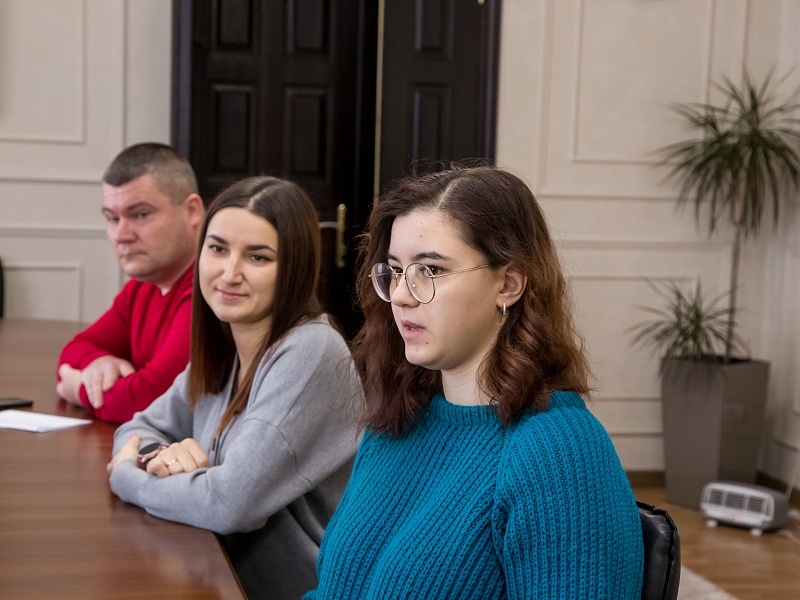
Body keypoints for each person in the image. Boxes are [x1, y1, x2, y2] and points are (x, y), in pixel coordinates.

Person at [305, 166, 644, 599]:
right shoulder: (396, 421)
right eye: (396, 271)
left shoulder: (559, 451)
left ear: (509, 284)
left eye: (430, 270)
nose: (403, 295)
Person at [107, 176, 363, 600]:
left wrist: (128, 477)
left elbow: (229, 505)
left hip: (301, 590)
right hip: (219, 573)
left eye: (258, 257)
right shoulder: (226, 347)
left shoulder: (312, 350)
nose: (229, 273)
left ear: (294, 268)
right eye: (218, 249)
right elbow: (136, 429)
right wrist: (160, 457)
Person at [56, 143, 204, 423]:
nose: (121, 235)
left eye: (141, 215)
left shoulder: (212, 289)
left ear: (192, 211)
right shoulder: (143, 286)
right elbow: (75, 350)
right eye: (112, 218)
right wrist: (99, 363)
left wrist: (79, 389)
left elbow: (151, 399)